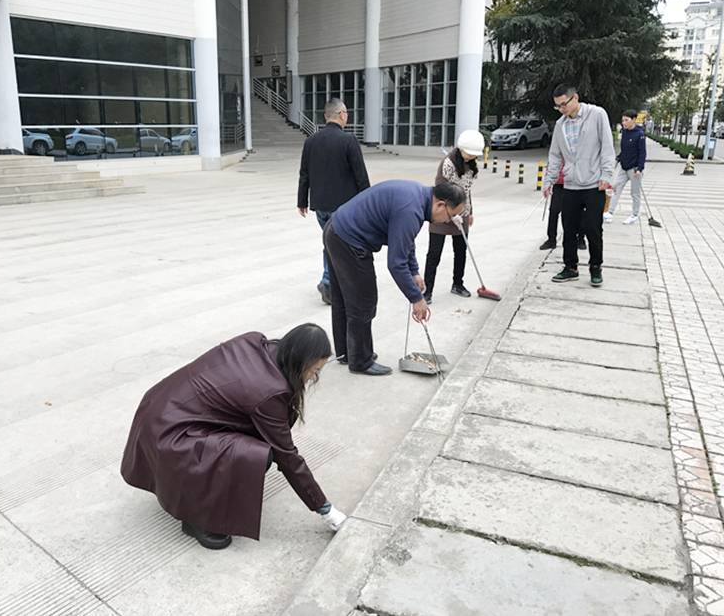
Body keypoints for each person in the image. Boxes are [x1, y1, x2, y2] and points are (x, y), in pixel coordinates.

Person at [121, 323, 347, 550]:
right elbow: (287, 456)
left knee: (254, 441)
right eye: (314, 371)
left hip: (156, 410)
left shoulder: (256, 342)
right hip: (170, 435)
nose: (311, 378)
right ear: (299, 360)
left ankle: (195, 490)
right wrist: (325, 509)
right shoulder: (270, 391)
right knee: (260, 455)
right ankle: (198, 518)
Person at [323, 180, 466, 376]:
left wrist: (414, 271)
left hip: (336, 229)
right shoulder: (411, 209)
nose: (448, 221)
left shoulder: (418, 197)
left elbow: (406, 240)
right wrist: (416, 298)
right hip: (350, 240)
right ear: (440, 204)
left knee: (343, 300)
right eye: (450, 216)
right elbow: (395, 263)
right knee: (363, 301)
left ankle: (347, 352)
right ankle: (360, 361)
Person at [298, 98, 371, 305]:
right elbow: (360, 176)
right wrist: (368, 204)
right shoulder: (349, 141)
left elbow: (304, 174)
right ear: (342, 115)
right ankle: (331, 282)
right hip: (345, 206)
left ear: (325, 116)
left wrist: (302, 200)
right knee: (345, 244)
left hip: (320, 204)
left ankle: (331, 281)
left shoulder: (310, 141)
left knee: (330, 241)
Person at [542, 83, 615, 287]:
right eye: (557, 106)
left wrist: (606, 175)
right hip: (570, 185)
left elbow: (607, 147)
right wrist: (549, 181)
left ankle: (595, 268)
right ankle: (570, 267)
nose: (561, 109)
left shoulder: (597, 115)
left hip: (594, 184)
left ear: (575, 98)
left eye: (563, 104)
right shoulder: (560, 125)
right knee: (569, 228)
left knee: (592, 228)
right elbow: (555, 156)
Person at [421, 130, 484, 304]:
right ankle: (427, 291)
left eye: (474, 155)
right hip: (442, 213)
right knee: (434, 254)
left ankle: (458, 284)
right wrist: (451, 214)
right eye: (470, 153)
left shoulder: (470, 164)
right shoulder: (447, 164)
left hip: (461, 214)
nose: (472, 157)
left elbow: (466, 191)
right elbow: (441, 193)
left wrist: (469, 212)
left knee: (460, 252)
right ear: (461, 149)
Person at [605, 109, 646, 225]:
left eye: (626, 120)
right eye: (623, 120)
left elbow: (642, 153)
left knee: (635, 193)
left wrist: (639, 169)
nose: (624, 123)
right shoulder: (625, 132)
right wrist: (618, 159)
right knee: (616, 188)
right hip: (624, 167)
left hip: (634, 169)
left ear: (633, 120)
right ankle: (609, 213)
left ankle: (634, 215)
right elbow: (625, 150)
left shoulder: (640, 134)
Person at [539, 161, 586, 251]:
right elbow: (552, 164)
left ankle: (580, 238)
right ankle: (551, 239)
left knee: (578, 211)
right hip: (559, 182)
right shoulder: (558, 148)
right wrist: (547, 183)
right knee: (554, 210)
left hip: (575, 182)